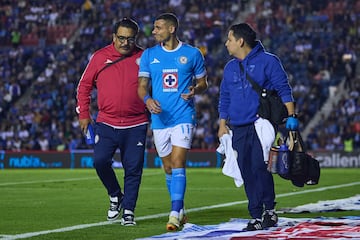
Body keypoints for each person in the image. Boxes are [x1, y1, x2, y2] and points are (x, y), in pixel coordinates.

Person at [217, 23, 299, 231]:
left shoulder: (268, 61)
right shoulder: (230, 67)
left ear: (240, 41)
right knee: (246, 170)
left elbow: (283, 88)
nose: (226, 43)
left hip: (260, 124)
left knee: (259, 167)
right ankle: (255, 214)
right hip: (238, 127)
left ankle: (269, 210)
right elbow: (224, 97)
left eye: (229, 39)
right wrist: (222, 124)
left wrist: (292, 117)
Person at [137, 13, 208, 231]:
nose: (154, 31)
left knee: (178, 162)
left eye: (158, 27)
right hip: (159, 118)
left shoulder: (193, 54)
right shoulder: (149, 55)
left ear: (171, 29)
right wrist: (147, 100)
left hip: (183, 116)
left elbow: (203, 83)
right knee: (168, 167)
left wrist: (196, 90)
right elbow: (141, 87)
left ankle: (174, 213)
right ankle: (180, 208)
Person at [76, 17, 148, 226]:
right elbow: (84, 87)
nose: (125, 43)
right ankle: (115, 194)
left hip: (136, 123)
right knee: (99, 161)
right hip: (106, 122)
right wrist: (83, 114)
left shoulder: (145, 57)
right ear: (113, 36)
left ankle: (129, 212)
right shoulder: (100, 57)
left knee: (133, 168)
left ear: (136, 38)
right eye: (121, 38)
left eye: (130, 39)